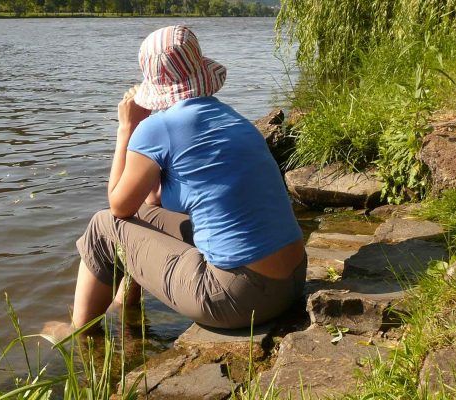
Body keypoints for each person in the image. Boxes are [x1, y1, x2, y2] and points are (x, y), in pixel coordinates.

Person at [65, 25, 306, 334]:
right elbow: (150, 205)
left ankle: (79, 332)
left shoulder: (157, 128)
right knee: (143, 216)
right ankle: (126, 304)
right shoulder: (231, 117)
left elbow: (117, 207)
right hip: (292, 282)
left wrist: (126, 129)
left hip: (238, 298)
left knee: (102, 227)